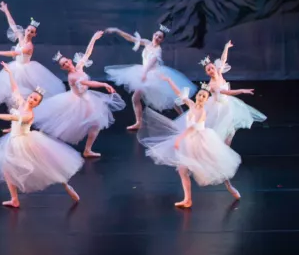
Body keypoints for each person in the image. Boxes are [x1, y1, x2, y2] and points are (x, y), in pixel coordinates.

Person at [0, 62, 83, 209]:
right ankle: (14, 199)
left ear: (37, 104)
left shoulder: (28, 114)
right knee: (7, 170)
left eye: (35, 100)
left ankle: (66, 185)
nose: (31, 100)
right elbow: (15, 89)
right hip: (13, 140)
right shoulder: (21, 103)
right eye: (32, 97)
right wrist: (9, 73)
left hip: (25, 142)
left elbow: (13, 118)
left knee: (47, 167)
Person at [138, 75, 242, 208]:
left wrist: (180, 138)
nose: (200, 97)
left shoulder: (202, 112)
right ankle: (187, 199)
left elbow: (193, 128)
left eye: (204, 97)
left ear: (206, 100)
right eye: (199, 95)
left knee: (216, 166)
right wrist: (169, 80)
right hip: (189, 142)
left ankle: (230, 186)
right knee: (182, 170)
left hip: (201, 141)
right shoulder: (192, 105)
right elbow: (179, 93)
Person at [33, 30, 126, 157]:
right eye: (63, 64)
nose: (66, 64)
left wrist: (94, 38)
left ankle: (87, 150)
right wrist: (104, 84)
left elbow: (88, 53)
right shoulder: (72, 77)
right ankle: (45, 142)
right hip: (77, 100)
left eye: (66, 61)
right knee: (64, 124)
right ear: (62, 68)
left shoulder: (79, 66)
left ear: (70, 60)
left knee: (95, 124)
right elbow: (88, 84)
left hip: (86, 98)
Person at [103, 25, 194, 130]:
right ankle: (138, 122)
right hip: (144, 72)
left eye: (160, 37)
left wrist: (144, 73)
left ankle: (184, 117)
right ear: (153, 35)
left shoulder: (158, 50)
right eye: (156, 35)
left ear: (162, 40)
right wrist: (117, 30)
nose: (157, 37)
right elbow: (131, 38)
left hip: (155, 75)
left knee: (170, 98)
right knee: (135, 98)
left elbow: (152, 61)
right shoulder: (147, 42)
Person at [0, 1, 65, 105]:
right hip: (16, 66)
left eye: (32, 32)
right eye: (29, 30)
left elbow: (14, 53)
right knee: (13, 87)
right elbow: (12, 25)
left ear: (35, 34)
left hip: (25, 69)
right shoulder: (21, 37)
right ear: (25, 30)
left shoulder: (29, 46)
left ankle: (28, 105)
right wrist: (6, 11)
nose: (29, 33)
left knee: (27, 89)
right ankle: (20, 104)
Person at [196, 40, 266, 144]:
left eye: (212, 67)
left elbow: (223, 59)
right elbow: (226, 92)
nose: (211, 70)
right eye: (208, 69)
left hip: (228, 103)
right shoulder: (212, 85)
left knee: (231, 130)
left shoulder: (219, 73)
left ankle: (226, 147)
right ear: (207, 73)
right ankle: (219, 148)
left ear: (215, 67)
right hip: (219, 107)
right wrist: (241, 90)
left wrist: (226, 47)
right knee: (221, 130)